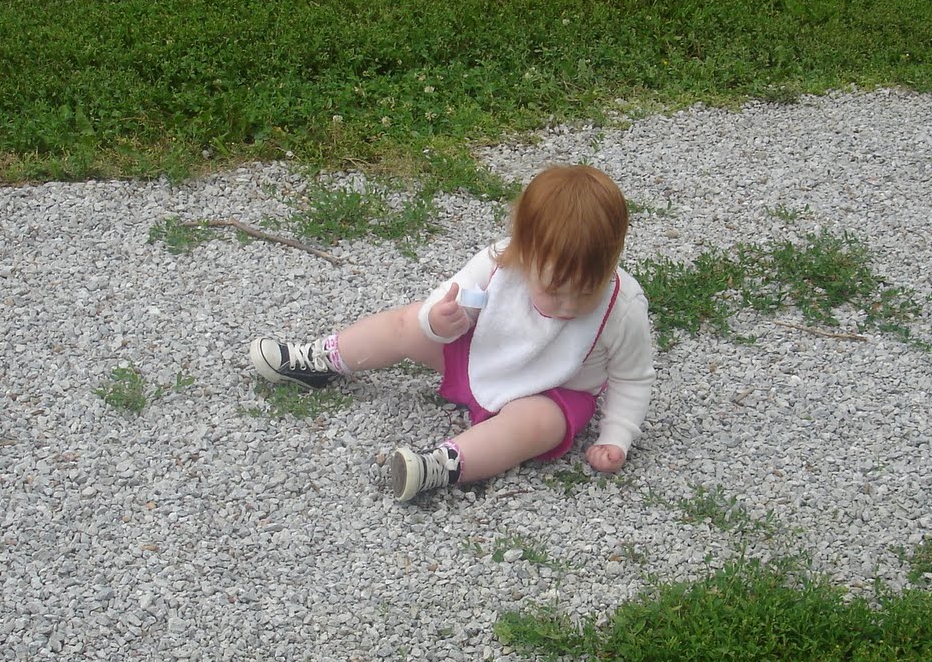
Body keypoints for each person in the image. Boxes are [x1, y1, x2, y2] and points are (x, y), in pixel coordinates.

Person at [247, 164, 655, 501]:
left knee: (538, 426)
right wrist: (436, 320)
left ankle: (442, 465)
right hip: (480, 355)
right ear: (526, 251)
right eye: (553, 291)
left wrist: (617, 435)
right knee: (405, 322)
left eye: (583, 293)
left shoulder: (622, 306)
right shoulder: (501, 261)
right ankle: (321, 358)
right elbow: (452, 294)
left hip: (552, 392)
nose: (567, 306)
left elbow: (631, 376)